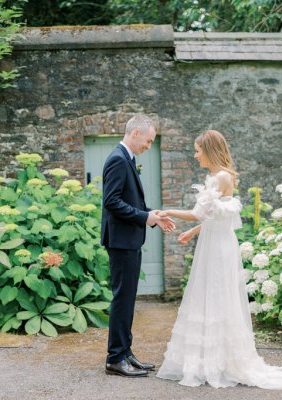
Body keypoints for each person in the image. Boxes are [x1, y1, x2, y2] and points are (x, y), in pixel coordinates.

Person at [156, 130, 282, 389]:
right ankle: (211, 358)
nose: (195, 155)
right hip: (215, 241)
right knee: (210, 295)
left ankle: (217, 361)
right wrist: (194, 231)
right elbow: (215, 217)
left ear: (208, 150)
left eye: (197, 150)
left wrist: (168, 211)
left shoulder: (220, 177)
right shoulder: (219, 176)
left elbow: (199, 213)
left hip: (218, 248)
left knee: (217, 295)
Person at [101, 114, 175, 378]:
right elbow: (112, 202)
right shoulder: (118, 160)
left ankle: (126, 353)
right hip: (121, 241)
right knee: (123, 298)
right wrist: (145, 217)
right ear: (135, 134)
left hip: (127, 239)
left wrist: (151, 214)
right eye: (149, 140)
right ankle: (115, 358)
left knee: (128, 298)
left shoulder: (126, 159)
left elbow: (127, 201)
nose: (149, 145)